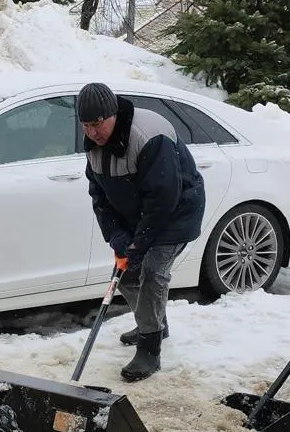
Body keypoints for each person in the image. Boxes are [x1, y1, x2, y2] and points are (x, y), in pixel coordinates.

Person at [80, 82, 206, 382]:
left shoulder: (148, 136)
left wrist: (139, 245)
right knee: (126, 276)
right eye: (86, 126)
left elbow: (162, 198)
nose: (92, 133)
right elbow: (99, 197)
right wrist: (118, 237)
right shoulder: (94, 147)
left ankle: (150, 348)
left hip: (176, 212)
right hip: (138, 217)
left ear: (113, 115)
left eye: (98, 124)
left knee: (151, 273)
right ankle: (153, 322)